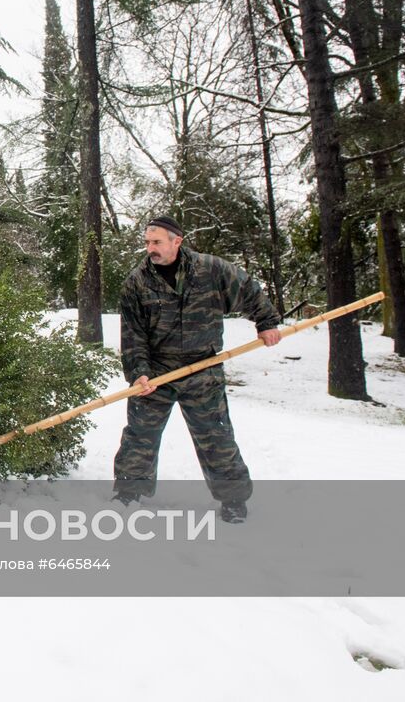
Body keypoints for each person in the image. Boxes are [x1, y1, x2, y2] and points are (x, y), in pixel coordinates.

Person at [113, 216, 282, 523]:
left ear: (177, 241)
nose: (150, 248)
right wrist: (139, 373)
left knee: (215, 436)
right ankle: (128, 491)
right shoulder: (136, 282)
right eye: (147, 242)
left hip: (202, 367)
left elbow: (247, 289)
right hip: (156, 371)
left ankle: (233, 499)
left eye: (157, 242)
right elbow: (133, 335)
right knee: (140, 435)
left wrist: (267, 322)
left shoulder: (211, 269)